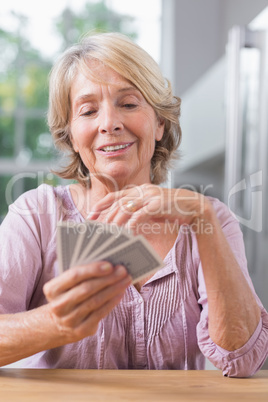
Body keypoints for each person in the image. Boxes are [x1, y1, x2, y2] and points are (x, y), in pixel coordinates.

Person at [0, 32, 267, 376]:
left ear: (159, 123)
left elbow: (242, 360)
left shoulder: (211, 218)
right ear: (70, 134)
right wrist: (56, 323)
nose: (109, 123)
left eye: (128, 104)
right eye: (88, 110)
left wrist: (204, 217)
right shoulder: (37, 216)